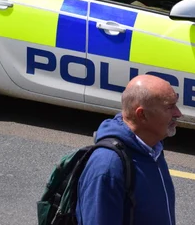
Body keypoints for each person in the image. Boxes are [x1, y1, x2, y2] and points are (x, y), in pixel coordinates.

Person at [75, 74, 182, 225]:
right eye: (170, 107)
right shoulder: (107, 166)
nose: (178, 114)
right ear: (142, 114)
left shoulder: (153, 149)